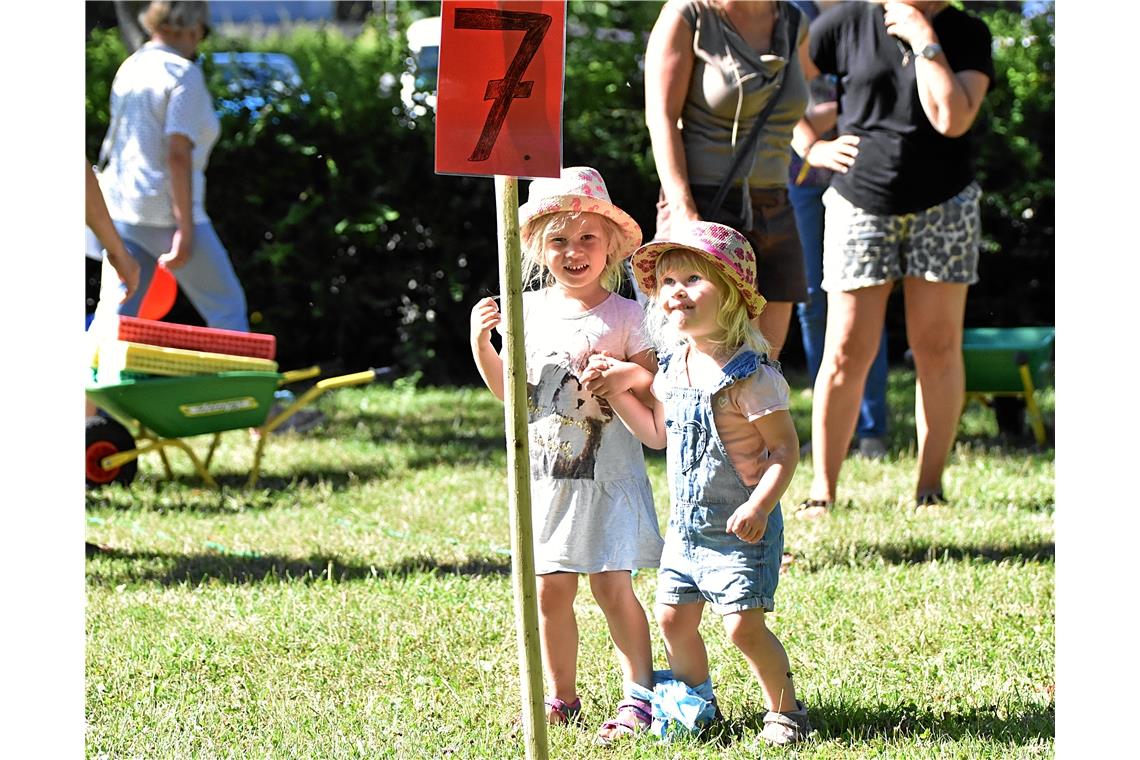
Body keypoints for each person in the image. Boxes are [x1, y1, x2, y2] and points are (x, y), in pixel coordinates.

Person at [590, 221, 811, 746]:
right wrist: (618, 388)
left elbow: (784, 451)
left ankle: (786, 711)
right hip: (686, 533)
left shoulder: (750, 376)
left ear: (733, 293)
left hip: (741, 532)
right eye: (667, 282)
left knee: (742, 626)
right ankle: (696, 704)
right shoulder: (674, 365)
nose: (676, 291)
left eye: (693, 278)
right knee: (673, 619)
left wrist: (760, 506)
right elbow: (658, 435)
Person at [468, 167, 663, 744]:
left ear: (612, 246)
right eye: (559, 240)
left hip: (608, 477)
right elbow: (512, 394)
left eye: (587, 239)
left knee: (611, 585)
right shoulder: (525, 311)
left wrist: (623, 374)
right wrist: (483, 344)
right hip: (547, 480)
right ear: (535, 245)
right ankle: (561, 695)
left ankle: (639, 696)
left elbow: (655, 381)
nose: (574, 252)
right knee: (550, 590)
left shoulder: (628, 315)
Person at [792, 0, 993, 512]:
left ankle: (929, 489)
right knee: (844, 352)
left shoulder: (965, 32)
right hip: (861, 203)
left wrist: (924, 37)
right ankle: (823, 492)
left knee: (938, 348)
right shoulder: (846, 24)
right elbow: (784, 85)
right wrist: (811, 147)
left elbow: (952, 118)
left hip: (945, 205)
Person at [643, 0, 811, 360]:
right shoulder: (689, 15)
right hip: (704, 206)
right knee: (696, 369)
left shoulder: (795, 22)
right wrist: (685, 215)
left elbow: (792, 108)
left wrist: (816, 143)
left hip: (775, 207)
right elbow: (661, 120)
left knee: (763, 369)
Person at [91, 1, 249, 334]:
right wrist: (186, 231)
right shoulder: (182, 74)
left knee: (118, 315)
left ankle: (98, 384)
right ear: (191, 28)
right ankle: (239, 386)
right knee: (227, 308)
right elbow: (177, 154)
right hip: (166, 215)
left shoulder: (131, 66)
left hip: (122, 208)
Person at [787, 0, 889, 460]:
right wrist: (815, 138)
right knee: (812, 300)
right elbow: (776, 92)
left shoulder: (876, 11)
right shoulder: (789, 10)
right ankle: (834, 431)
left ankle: (871, 431)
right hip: (801, 171)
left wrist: (834, 118)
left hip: (864, 173)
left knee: (867, 297)